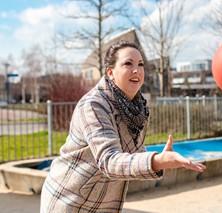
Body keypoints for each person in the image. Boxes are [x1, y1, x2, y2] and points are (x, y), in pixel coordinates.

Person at [40, 40, 206, 212]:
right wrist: (156, 161)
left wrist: (162, 161)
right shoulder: (94, 106)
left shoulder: (139, 107)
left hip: (103, 203)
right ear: (110, 72)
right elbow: (109, 160)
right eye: (128, 63)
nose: (137, 70)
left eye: (140, 64)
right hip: (70, 201)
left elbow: (132, 154)